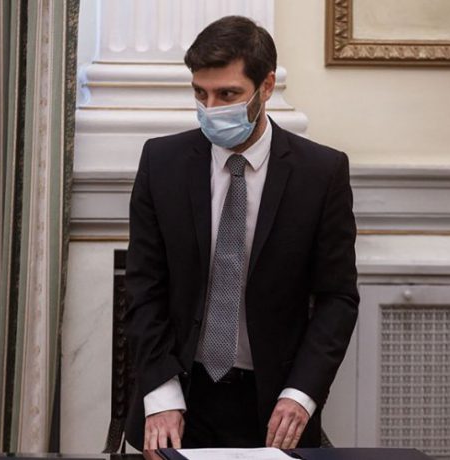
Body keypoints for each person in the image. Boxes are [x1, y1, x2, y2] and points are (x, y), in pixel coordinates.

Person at [124, 15, 359, 451]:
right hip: (180, 394)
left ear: (266, 86)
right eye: (201, 93)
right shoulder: (161, 163)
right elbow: (143, 287)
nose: (211, 108)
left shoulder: (320, 173)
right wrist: (161, 392)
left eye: (228, 94)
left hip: (273, 404)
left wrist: (301, 395)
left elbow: (337, 299)